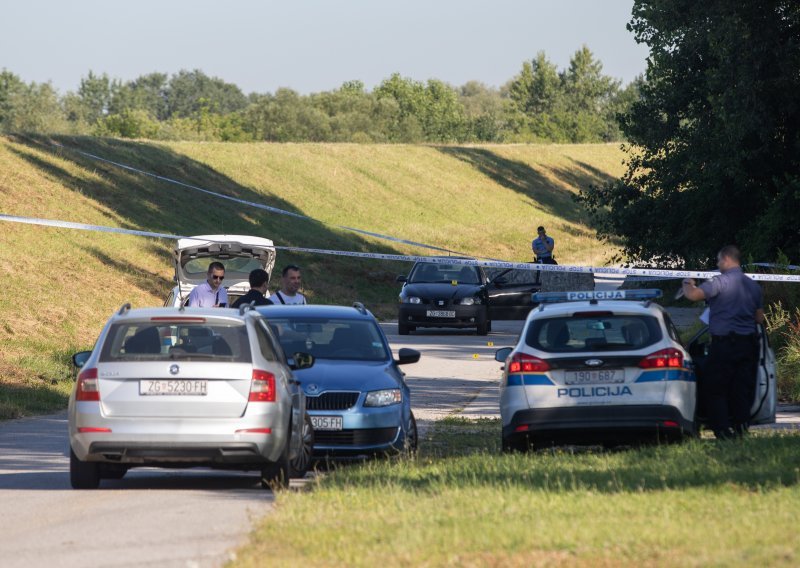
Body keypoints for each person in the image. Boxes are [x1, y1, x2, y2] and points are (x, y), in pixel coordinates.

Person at [682, 245, 764, 440]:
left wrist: (687, 283)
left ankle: (722, 431)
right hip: (748, 345)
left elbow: (693, 295)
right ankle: (741, 428)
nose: (718, 265)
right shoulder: (753, 286)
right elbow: (759, 318)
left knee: (716, 388)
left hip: (724, 345)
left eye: (719, 260)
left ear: (727, 259)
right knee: (741, 388)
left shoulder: (719, 283)